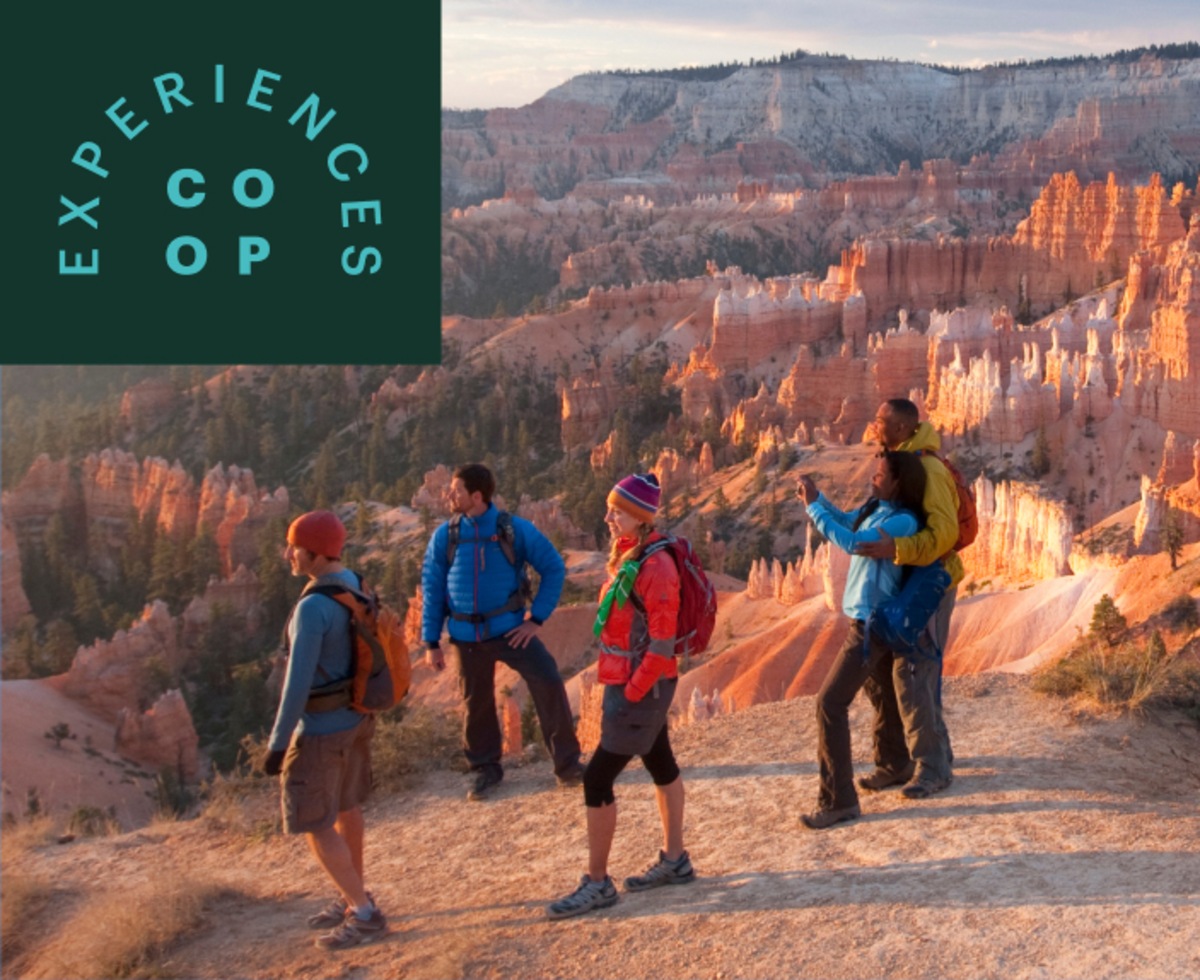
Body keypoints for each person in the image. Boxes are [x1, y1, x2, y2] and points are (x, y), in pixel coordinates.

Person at [546, 472, 695, 920]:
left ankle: (597, 884)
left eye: (617, 510)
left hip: (640, 686)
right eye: (611, 509)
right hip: (633, 681)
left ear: (640, 516)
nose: (608, 516)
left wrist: (632, 691)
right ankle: (675, 860)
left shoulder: (656, 567)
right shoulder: (636, 556)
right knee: (661, 762)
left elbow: (662, 643)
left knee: (596, 780)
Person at [262, 509, 387, 951]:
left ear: (314, 553)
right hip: (356, 719)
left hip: (320, 729)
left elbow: (296, 683)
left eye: (295, 547)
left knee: (314, 822)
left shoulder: (312, 607)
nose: (288, 554)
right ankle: (352, 896)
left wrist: (278, 745)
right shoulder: (354, 584)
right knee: (347, 808)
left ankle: (365, 912)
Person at [421, 463, 584, 801]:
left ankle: (567, 765)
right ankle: (485, 769)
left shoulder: (514, 530)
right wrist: (431, 640)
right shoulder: (446, 536)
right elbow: (433, 587)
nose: (449, 495)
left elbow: (553, 568)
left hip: (510, 631)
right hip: (465, 637)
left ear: (476, 496)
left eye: (457, 490)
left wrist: (536, 619)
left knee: (548, 681)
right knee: (475, 702)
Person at [797, 451, 929, 829]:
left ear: (899, 482)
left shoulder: (902, 521)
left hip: (873, 623)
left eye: (879, 474)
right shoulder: (879, 509)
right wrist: (818, 500)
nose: (872, 478)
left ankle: (838, 800)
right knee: (883, 694)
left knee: (829, 703)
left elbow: (854, 542)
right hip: (869, 618)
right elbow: (847, 522)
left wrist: (812, 511)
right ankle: (895, 763)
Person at [856, 398, 959, 799]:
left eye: (881, 421)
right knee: (884, 672)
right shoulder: (901, 461)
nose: (874, 425)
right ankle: (903, 760)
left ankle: (932, 769)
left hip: (928, 585)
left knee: (915, 673)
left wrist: (896, 550)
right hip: (903, 583)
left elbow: (945, 534)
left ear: (901, 428)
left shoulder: (929, 469)